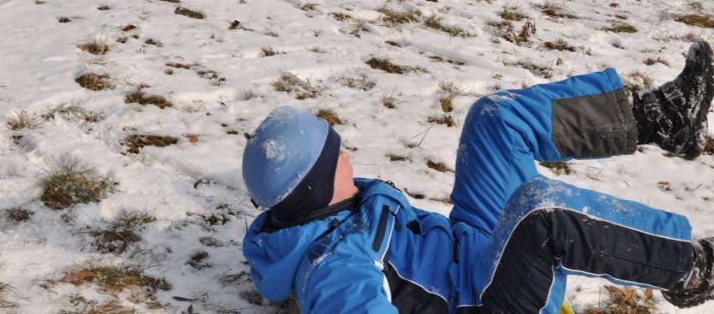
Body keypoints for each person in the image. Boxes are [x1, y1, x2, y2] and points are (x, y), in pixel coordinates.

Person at [242, 41, 714, 313]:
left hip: (474, 252)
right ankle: (694, 270)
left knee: (494, 120)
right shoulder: (336, 272)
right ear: (319, 183)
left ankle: (662, 118)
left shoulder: (331, 209)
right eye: (337, 152)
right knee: (541, 213)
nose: (348, 154)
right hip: (490, 302)